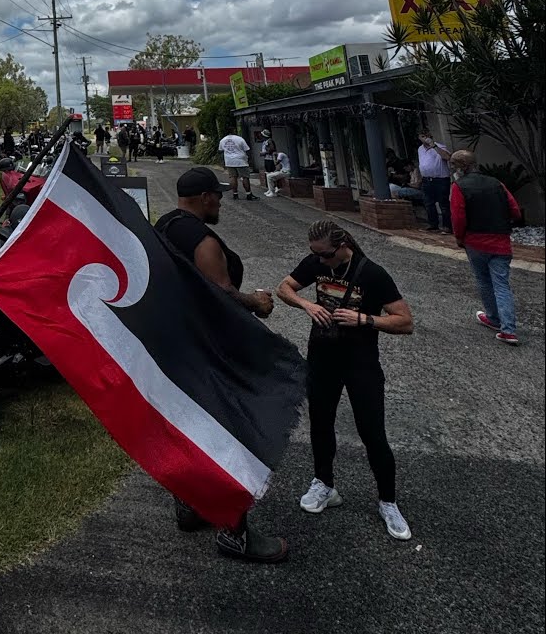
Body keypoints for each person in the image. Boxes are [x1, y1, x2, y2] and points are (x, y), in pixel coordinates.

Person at [154, 166, 286, 563]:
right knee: (228, 438)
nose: (221, 202)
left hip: (178, 347)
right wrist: (257, 302)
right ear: (206, 197)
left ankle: (191, 506)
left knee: (191, 432)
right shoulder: (203, 241)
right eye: (218, 196)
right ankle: (236, 534)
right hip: (209, 352)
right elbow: (223, 296)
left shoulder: (165, 224)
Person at [276, 220, 415, 541]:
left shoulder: (372, 274)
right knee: (320, 424)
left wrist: (364, 318)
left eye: (324, 255)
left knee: (372, 432)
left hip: (361, 363)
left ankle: (388, 502)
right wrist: (307, 304)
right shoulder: (316, 262)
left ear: (342, 248)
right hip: (322, 358)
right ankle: (324, 484)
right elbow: (284, 287)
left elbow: (405, 321)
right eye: (315, 254)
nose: (318, 261)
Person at [449, 150, 523, 346]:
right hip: (501, 241)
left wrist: (459, 237)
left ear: (460, 168)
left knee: (484, 280)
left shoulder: (459, 186)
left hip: (476, 242)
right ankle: (509, 329)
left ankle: (493, 318)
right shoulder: (497, 183)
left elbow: (458, 217)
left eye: (454, 166)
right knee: (502, 285)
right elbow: (515, 210)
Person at [416, 129, 452, 233]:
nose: (425, 138)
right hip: (427, 180)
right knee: (428, 203)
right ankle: (433, 224)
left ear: (430, 136)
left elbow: (447, 157)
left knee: (443, 204)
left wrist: (434, 146)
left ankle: (447, 226)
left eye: (426, 135)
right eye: (422, 136)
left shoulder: (440, 146)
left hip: (440, 179)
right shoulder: (420, 149)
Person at [219, 128, 257, 200]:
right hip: (240, 161)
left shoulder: (222, 140)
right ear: (234, 131)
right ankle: (248, 194)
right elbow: (247, 149)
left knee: (233, 177)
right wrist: (249, 160)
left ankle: (235, 194)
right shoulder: (239, 139)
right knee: (245, 177)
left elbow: (221, 150)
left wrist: (223, 162)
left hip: (229, 161)